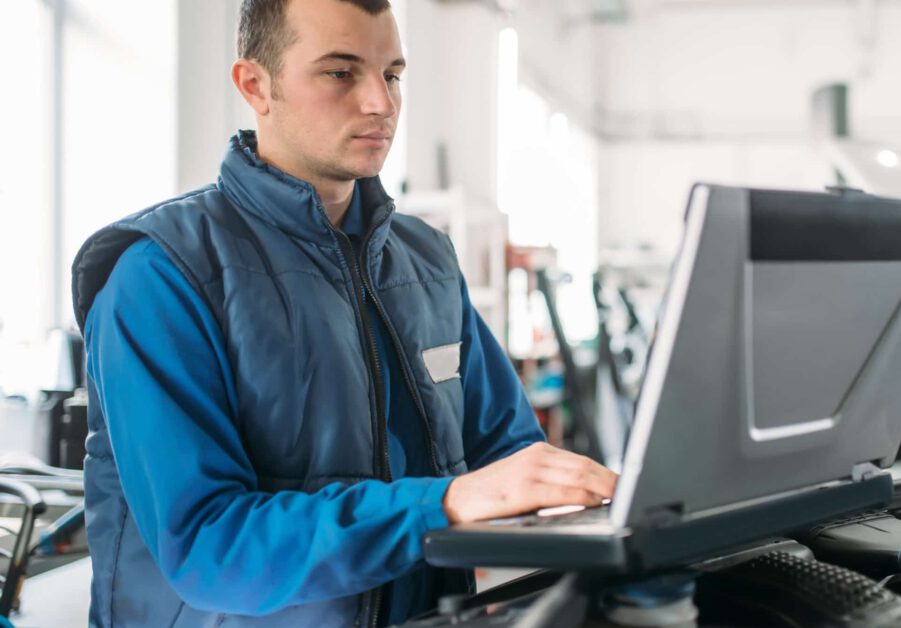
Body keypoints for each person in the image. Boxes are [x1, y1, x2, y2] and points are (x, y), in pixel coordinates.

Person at [70, 0, 617, 625]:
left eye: (392, 75)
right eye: (340, 72)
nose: (380, 103)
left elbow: (508, 453)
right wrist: (443, 504)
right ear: (256, 85)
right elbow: (210, 549)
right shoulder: (164, 275)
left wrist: (599, 500)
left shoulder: (426, 262)